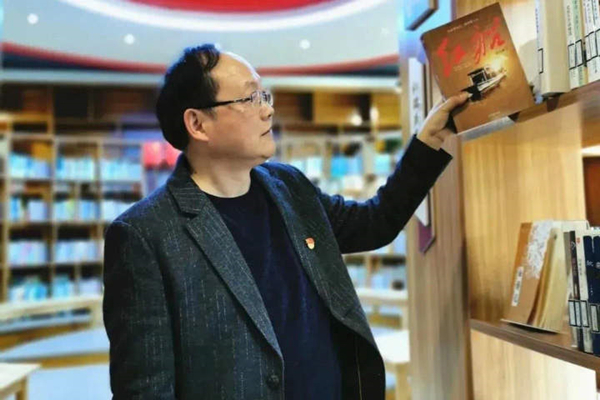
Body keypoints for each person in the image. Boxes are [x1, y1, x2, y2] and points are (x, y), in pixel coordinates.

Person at [102, 44, 469, 400]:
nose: (267, 110)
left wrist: (428, 141)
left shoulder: (289, 187)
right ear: (198, 124)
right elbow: (145, 389)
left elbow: (375, 223)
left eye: (265, 96)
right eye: (250, 98)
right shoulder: (144, 235)